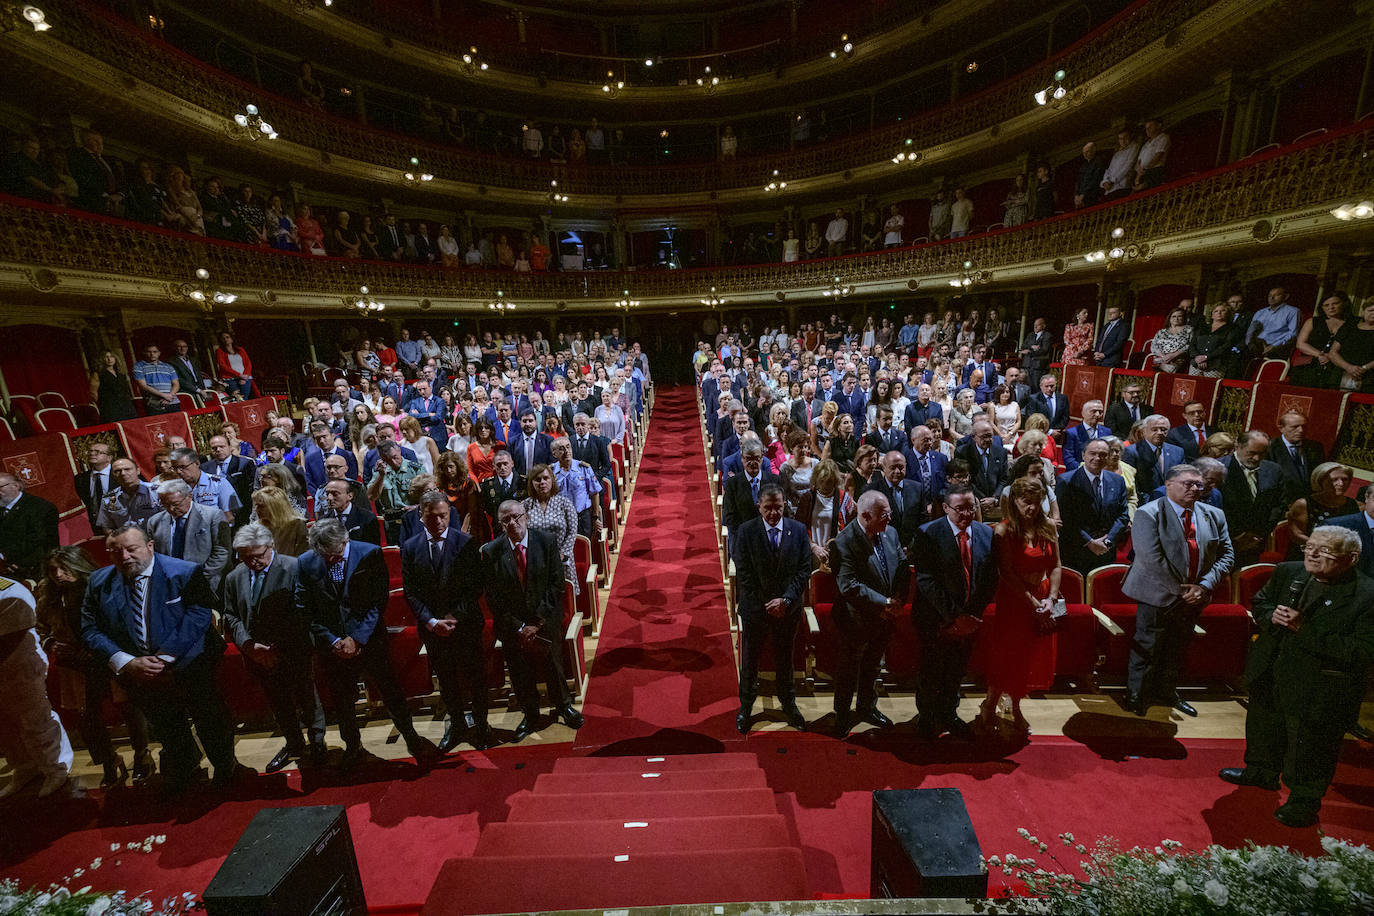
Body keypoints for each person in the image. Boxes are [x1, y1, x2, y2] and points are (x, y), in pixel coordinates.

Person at [1218, 525, 1374, 827]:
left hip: (1321, 684)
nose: (1313, 554)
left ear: (1351, 558)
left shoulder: (1367, 595)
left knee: (1311, 744)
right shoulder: (1289, 571)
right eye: (1310, 546)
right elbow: (1261, 602)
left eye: (1325, 551)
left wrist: (1305, 630)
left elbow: (1363, 650)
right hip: (1271, 669)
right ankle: (1260, 772)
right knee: (1264, 725)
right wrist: (1270, 616)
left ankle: (1304, 800)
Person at [80, 524, 237, 795]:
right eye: (116, 552)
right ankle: (187, 769)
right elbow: (90, 629)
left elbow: (199, 614)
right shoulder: (98, 582)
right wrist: (126, 662)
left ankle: (226, 768)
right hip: (139, 674)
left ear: (150, 546)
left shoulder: (184, 571)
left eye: (132, 549)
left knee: (210, 721)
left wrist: (164, 658)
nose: (125, 557)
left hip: (191, 665)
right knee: (167, 725)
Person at [297, 520, 433, 768]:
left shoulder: (369, 553)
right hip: (332, 646)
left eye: (334, 555)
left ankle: (411, 737)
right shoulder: (306, 562)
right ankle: (353, 745)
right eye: (324, 556)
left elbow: (377, 603)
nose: (330, 560)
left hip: (370, 640)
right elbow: (306, 610)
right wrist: (335, 641)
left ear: (345, 540)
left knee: (391, 693)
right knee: (342, 701)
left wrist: (357, 638)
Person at [1123, 463, 1235, 717]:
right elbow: (1151, 559)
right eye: (1189, 484)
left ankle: (1167, 691)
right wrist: (1182, 590)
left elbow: (1226, 555)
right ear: (1169, 485)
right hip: (1157, 593)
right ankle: (1136, 694)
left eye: (1199, 485)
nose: (1195, 489)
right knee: (1147, 647)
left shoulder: (1213, 514)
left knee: (1178, 647)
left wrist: (1203, 587)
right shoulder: (1148, 513)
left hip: (1195, 596)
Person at [37, 546, 154, 787]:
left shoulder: (102, 584)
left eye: (64, 568)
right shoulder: (47, 593)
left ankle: (143, 757)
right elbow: (39, 627)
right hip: (75, 665)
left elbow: (123, 620)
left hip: (107, 657)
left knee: (128, 709)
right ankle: (110, 761)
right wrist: (50, 643)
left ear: (77, 565)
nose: (58, 574)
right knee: (88, 717)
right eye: (53, 570)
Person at [222, 523, 325, 772]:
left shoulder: (294, 567)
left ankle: (317, 743)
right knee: (278, 702)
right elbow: (231, 616)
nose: (253, 562)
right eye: (246, 557)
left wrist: (275, 647)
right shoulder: (235, 577)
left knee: (307, 698)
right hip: (256, 654)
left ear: (271, 547)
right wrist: (249, 645)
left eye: (258, 555)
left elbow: (306, 611)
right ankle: (294, 743)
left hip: (292, 649)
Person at [482, 500, 583, 741]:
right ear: (500, 524)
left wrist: (536, 622)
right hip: (513, 626)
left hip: (545, 619)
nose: (513, 523)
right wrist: (519, 626)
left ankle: (563, 706)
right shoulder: (491, 551)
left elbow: (556, 584)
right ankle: (531, 714)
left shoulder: (545, 541)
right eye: (506, 520)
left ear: (526, 517)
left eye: (517, 517)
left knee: (553, 665)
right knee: (519, 671)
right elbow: (494, 597)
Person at [402, 491, 491, 752]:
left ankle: (482, 726)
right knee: (447, 680)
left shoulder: (465, 542)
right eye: (433, 516)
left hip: (464, 625)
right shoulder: (410, 547)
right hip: (433, 630)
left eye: (444, 515)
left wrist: (452, 617)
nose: (439, 521)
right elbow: (410, 592)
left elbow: (476, 587)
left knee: (475, 678)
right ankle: (458, 726)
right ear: (421, 516)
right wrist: (431, 621)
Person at [911, 485, 997, 739]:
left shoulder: (986, 534)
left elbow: (989, 579)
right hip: (936, 619)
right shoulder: (928, 533)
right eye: (960, 509)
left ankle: (949, 713)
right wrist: (954, 616)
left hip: (970, 619)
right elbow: (926, 581)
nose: (966, 514)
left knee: (956, 671)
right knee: (931, 670)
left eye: (971, 507)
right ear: (946, 508)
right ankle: (926, 717)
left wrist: (972, 616)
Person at [980, 477, 1062, 732]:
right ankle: (990, 704)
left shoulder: (1048, 526)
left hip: (1043, 594)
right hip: (1015, 598)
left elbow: (1056, 565)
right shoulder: (1004, 530)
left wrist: (1051, 599)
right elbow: (1006, 573)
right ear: (1014, 501)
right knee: (1007, 656)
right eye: (1027, 502)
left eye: (1036, 503)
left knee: (1028, 658)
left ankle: (1015, 705)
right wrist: (1035, 603)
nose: (1032, 508)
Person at [732, 483, 811, 733]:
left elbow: (803, 569)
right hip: (756, 610)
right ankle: (745, 708)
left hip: (787, 610)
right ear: (759, 507)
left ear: (785, 504)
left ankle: (789, 704)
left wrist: (785, 600)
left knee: (785, 660)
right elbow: (744, 574)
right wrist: (767, 604)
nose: (774, 513)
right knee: (751, 661)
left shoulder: (798, 531)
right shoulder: (746, 531)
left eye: (778, 507)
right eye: (768, 508)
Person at [830, 490, 908, 737]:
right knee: (848, 671)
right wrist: (883, 603)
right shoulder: (844, 542)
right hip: (856, 618)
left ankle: (866, 707)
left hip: (885, 617)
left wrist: (897, 601)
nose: (889, 518)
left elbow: (902, 568)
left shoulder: (890, 533)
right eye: (883, 514)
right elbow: (848, 586)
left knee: (873, 666)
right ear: (865, 515)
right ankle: (842, 715)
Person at [0, 575, 73, 800]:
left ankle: (56, 768)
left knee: (36, 720)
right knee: (7, 728)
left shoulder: (9, 592)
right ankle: (25, 768)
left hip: (18, 666)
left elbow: (9, 640)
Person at [147, 478, 233, 598]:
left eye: (176, 504)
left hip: (204, 582)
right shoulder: (154, 521)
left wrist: (198, 577)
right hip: (169, 585)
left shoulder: (212, 516)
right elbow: (153, 554)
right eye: (165, 504)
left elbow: (222, 552)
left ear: (189, 496)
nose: (171, 509)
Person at [1056, 439, 1130, 577]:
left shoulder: (1117, 480)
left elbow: (1123, 515)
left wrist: (1108, 541)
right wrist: (1089, 542)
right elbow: (1066, 518)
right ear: (1083, 455)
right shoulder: (1066, 481)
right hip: (1077, 551)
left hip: (1106, 550)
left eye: (1102, 454)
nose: (1097, 458)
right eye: (1093, 453)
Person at [1220, 430, 1287, 565]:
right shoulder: (1218, 468)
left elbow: (1279, 504)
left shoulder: (1273, 470)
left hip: (1257, 540)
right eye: (1252, 453)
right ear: (1237, 446)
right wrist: (1238, 536)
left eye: (1262, 454)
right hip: (1225, 541)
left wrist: (1259, 534)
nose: (1257, 458)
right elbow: (1215, 506)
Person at [1283, 463, 1357, 561]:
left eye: (1345, 479)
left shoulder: (1354, 505)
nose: (1341, 483)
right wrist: (1325, 548)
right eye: (1334, 479)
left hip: (1340, 557)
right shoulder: (1303, 504)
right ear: (1320, 481)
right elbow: (1296, 535)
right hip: (1306, 555)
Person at [523, 463, 579, 590]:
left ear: (552, 480)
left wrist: (562, 554)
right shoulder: (525, 506)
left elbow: (572, 531)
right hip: (535, 560)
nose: (542, 482)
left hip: (561, 559)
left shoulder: (564, 503)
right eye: (537, 480)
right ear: (531, 483)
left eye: (545, 478)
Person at [0, 472, 60, 581]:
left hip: (35, 570)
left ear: (16, 486)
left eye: (0, 488)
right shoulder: (2, 507)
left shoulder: (41, 507)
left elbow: (37, 541)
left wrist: (5, 555)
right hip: (8, 568)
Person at [1268, 410, 1326, 502]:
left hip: (1309, 502)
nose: (1301, 430)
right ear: (1281, 428)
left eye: (1304, 426)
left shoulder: (1315, 447)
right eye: (1295, 427)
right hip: (1281, 503)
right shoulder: (1269, 448)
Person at [1123, 415, 1185, 496]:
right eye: (1154, 429)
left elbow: (1181, 478)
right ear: (1144, 432)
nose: (1159, 432)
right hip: (1144, 501)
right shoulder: (1132, 451)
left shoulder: (1177, 451)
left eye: (1163, 429)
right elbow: (1131, 484)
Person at [318, 477, 381, 545]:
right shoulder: (323, 521)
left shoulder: (367, 518)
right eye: (327, 494)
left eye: (335, 494)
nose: (329, 498)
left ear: (350, 496)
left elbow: (373, 549)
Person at [1190, 302, 1246, 378]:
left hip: (1216, 365)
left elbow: (1226, 346)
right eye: (1216, 311)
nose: (1219, 313)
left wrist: (1206, 357)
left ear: (1228, 313)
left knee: (1210, 388)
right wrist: (1197, 357)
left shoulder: (1233, 329)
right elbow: (1193, 344)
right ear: (1212, 314)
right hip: (1196, 363)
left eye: (1223, 311)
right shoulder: (1202, 327)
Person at [252, 486, 309, 556]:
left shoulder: (296, 523)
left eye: (261, 506)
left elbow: (304, 552)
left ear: (275, 506)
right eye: (256, 505)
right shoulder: (256, 526)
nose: (256, 509)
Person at [1245, 286, 1301, 358]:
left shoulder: (1293, 311)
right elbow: (1250, 331)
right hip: (1256, 345)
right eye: (1269, 296)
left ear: (1286, 296)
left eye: (1276, 295)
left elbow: (1293, 334)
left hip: (1277, 347)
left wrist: (1274, 346)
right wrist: (1249, 344)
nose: (1271, 298)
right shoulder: (1260, 312)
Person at [1061, 399, 1112, 471]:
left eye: (1100, 412)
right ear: (1083, 413)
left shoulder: (1107, 432)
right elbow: (1068, 457)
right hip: (1078, 473)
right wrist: (1084, 470)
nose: (1097, 415)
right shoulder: (1072, 433)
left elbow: (1109, 455)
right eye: (1094, 411)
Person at [90, 350, 137, 422]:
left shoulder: (121, 373)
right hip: (110, 407)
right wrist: (104, 406)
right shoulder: (98, 374)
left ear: (115, 358)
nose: (109, 359)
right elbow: (93, 393)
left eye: (111, 356)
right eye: (106, 357)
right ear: (102, 359)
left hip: (126, 405)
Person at [1150, 306, 1195, 374]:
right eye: (1174, 316)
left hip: (1178, 358)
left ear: (1184, 318)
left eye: (1179, 316)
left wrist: (1172, 355)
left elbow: (1189, 345)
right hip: (1161, 358)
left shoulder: (1189, 330)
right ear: (1169, 318)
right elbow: (1154, 346)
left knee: (1169, 369)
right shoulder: (1162, 331)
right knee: (1159, 368)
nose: (1176, 318)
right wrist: (1163, 356)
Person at [214, 332, 254, 398]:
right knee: (237, 398)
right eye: (223, 338)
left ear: (231, 339)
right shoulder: (220, 351)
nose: (225, 339)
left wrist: (244, 377)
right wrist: (239, 375)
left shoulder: (240, 350)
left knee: (245, 398)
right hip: (230, 379)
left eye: (227, 337)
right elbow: (223, 365)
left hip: (245, 377)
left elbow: (248, 364)